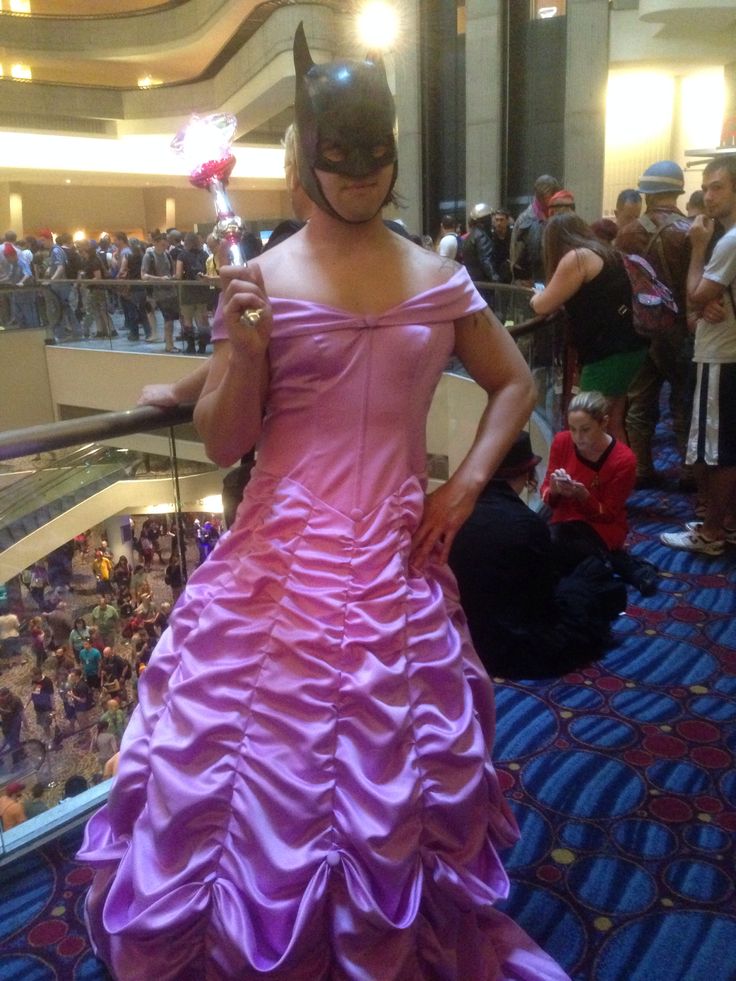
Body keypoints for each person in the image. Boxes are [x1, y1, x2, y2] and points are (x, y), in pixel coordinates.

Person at [78, 25, 568, 981]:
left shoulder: (439, 278)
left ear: (391, 152)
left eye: (374, 149)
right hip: (278, 556)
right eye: (337, 152)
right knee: (260, 761)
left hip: (393, 555)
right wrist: (238, 355)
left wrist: (465, 487)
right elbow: (226, 440)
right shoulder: (260, 279)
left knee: (376, 771)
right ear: (307, 152)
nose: (357, 170)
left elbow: (518, 384)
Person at [449, 431, 626, 679]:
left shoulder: (452, 510)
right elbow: (543, 599)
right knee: (591, 580)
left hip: (457, 635)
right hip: (510, 645)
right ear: (526, 474)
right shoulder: (526, 523)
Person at [660, 155, 736, 555]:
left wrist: (698, 247)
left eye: (717, 187)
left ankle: (711, 532)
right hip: (723, 349)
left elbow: (694, 294)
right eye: (705, 187)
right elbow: (701, 301)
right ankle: (727, 521)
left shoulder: (726, 241)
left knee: (718, 447)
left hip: (722, 357)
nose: (708, 196)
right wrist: (704, 303)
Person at [530, 212, 648, 443]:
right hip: (630, 346)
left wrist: (536, 296)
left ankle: (598, 477)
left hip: (607, 354)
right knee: (612, 422)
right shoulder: (605, 251)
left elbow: (542, 305)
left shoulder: (577, 258)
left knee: (587, 425)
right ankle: (620, 476)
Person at [615, 160, 693, 488]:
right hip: (680, 331)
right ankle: (689, 473)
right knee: (683, 401)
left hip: (641, 328)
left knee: (639, 403)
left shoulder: (628, 233)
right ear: (676, 191)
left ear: (646, 194)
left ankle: (642, 469)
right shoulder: (691, 231)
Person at [540, 391, 647, 591]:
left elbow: (608, 514)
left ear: (603, 423)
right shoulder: (562, 441)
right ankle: (614, 563)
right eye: (573, 429)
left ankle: (612, 560)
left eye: (585, 430)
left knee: (558, 554)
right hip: (564, 521)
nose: (578, 437)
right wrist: (554, 490)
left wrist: (583, 496)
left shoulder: (624, 460)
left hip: (601, 528)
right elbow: (546, 492)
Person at [510, 173, 561, 285]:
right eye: (549, 197)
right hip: (530, 284)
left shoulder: (556, 216)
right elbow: (516, 259)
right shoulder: (525, 220)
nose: (551, 201)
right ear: (539, 197)